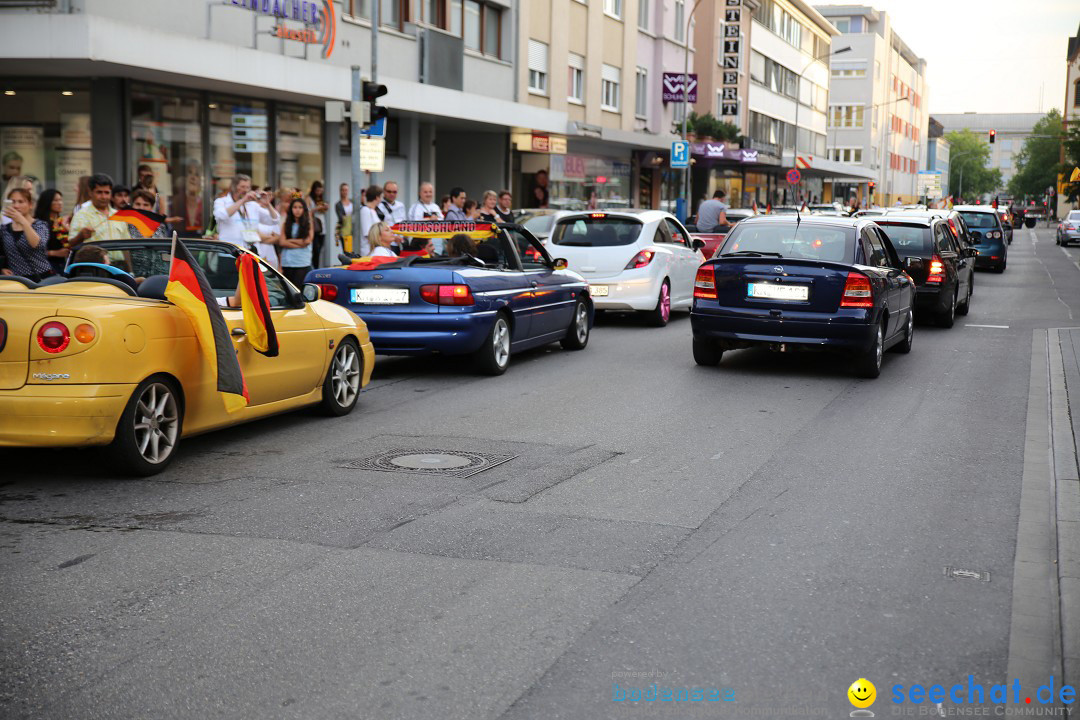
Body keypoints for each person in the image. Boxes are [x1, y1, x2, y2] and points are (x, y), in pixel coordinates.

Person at [211, 174, 280, 261]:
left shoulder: (253, 205)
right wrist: (243, 200)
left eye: (248, 187)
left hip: (251, 254)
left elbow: (274, 220)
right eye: (242, 187)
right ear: (234, 187)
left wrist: (268, 204)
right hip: (229, 255)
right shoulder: (221, 202)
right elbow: (221, 215)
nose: (245, 190)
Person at [1, 187, 53, 281]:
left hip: (40, 278)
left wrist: (23, 221)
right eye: (13, 202)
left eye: (21, 202)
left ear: (30, 205)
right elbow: (4, 253)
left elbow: (37, 245)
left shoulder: (40, 225)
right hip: (17, 280)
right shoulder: (5, 228)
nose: (16, 206)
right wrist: (2, 268)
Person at [69, 173, 129, 243]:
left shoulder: (119, 216)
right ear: (90, 192)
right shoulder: (81, 215)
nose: (103, 197)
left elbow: (126, 245)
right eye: (99, 192)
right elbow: (71, 244)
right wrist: (80, 236)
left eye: (107, 193)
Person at [279, 196, 314, 286]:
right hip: (287, 262)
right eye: (295, 207)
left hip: (302, 262)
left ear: (304, 209)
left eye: (300, 207)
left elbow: (307, 241)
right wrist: (300, 244)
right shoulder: (286, 224)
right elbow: (282, 242)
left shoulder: (308, 224)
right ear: (291, 209)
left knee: (298, 290)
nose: (297, 210)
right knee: (288, 291)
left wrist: (289, 241)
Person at [34, 189, 71, 274]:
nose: (60, 203)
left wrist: (67, 229)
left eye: (60, 200)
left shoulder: (62, 222)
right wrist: (54, 253)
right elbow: (33, 250)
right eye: (56, 200)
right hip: (47, 267)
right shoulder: (40, 224)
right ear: (47, 202)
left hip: (63, 265)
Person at [170, 161, 204, 236]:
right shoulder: (176, 200)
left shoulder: (205, 203)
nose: (193, 177)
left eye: (197, 174)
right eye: (190, 173)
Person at [357, 185, 384, 255]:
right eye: (381, 197)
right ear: (377, 197)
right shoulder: (365, 210)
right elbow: (367, 232)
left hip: (375, 248)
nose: (381, 200)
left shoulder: (374, 211)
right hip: (367, 250)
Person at [307, 180, 328, 267]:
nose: (319, 193)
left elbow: (323, 211)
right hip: (314, 226)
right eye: (317, 191)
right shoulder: (309, 198)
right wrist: (316, 208)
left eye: (320, 191)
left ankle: (316, 266)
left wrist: (325, 207)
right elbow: (308, 211)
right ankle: (314, 267)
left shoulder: (320, 199)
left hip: (321, 227)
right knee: (315, 250)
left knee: (319, 249)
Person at [335, 182, 353, 249]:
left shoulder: (352, 201)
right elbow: (341, 218)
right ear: (340, 191)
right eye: (343, 190)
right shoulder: (338, 204)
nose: (345, 192)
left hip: (353, 230)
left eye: (346, 190)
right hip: (345, 230)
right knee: (347, 250)